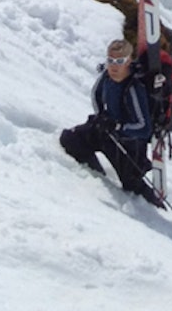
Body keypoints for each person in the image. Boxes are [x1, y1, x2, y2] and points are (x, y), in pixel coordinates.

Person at [60, 39, 163, 207]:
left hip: (127, 143)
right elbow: (96, 95)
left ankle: (156, 210)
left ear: (128, 61)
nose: (114, 66)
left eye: (120, 61)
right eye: (110, 60)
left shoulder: (134, 88)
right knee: (70, 140)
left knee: (132, 185)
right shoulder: (106, 76)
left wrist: (119, 127)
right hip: (106, 130)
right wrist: (101, 116)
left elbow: (144, 127)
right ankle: (96, 174)